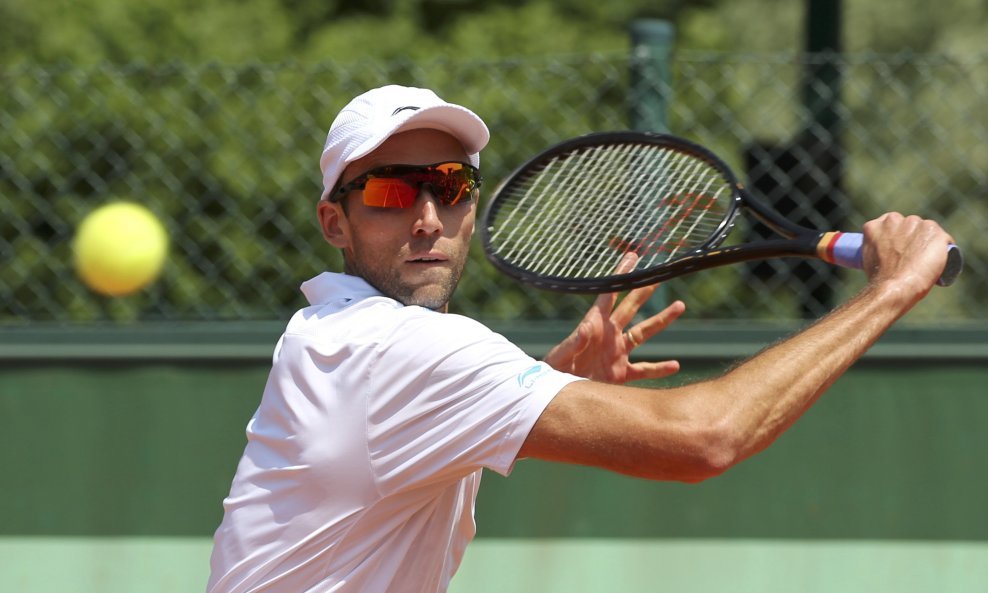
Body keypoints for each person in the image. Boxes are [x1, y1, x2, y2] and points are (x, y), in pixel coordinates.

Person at [207, 85, 954, 593]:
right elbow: (704, 438)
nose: (429, 216)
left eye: (451, 184)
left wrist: (554, 376)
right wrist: (890, 291)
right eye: (391, 191)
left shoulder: (334, 335)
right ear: (335, 222)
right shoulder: (390, 349)